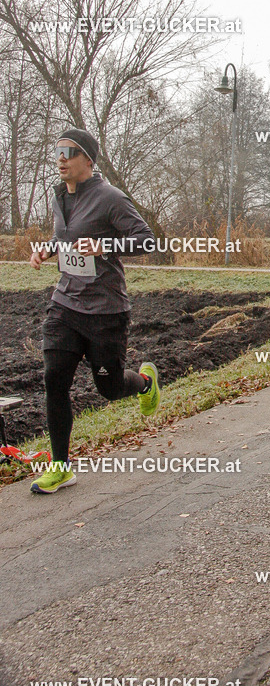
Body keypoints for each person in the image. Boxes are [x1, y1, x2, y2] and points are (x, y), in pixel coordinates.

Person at [29, 128, 161, 494]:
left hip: (105, 313)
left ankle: (145, 383)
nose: (61, 157)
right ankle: (60, 467)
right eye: (57, 151)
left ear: (88, 159)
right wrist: (47, 249)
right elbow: (65, 238)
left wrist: (103, 246)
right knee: (54, 379)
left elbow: (147, 240)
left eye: (69, 151)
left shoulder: (110, 198)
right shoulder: (59, 196)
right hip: (65, 304)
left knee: (109, 387)